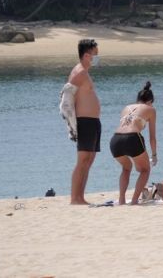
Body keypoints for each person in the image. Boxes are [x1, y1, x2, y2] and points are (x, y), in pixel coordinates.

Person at [109, 81, 158, 205]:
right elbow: (152, 137)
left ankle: (121, 200)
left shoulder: (126, 108)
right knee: (145, 170)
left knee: (126, 168)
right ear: (150, 101)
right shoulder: (150, 109)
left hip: (115, 139)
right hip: (132, 138)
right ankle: (135, 200)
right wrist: (154, 155)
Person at [67, 39, 101, 205]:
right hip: (84, 121)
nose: (97, 57)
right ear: (87, 55)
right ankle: (75, 198)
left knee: (89, 159)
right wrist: (71, 123)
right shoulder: (79, 72)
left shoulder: (85, 72)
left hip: (93, 122)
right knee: (82, 160)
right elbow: (66, 96)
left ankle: (81, 196)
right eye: (95, 54)